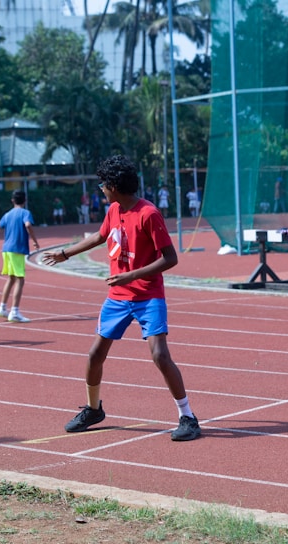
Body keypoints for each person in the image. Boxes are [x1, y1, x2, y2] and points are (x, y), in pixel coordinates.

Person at [42, 155, 201, 442]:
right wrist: (65, 253)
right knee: (94, 355)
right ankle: (93, 409)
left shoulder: (149, 214)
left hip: (148, 296)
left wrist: (132, 275)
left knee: (160, 355)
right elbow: (99, 237)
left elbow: (171, 259)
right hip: (117, 297)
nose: (101, 189)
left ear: (114, 185)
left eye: (103, 184)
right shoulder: (114, 210)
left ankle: (187, 416)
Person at [0, 189, 40, 323]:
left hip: (6, 249)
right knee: (20, 279)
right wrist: (35, 241)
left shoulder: (7, 214)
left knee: (11, 278)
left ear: (12, 200)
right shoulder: (25, 213)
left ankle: (2, 307)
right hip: (17, 249)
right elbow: (28, 224)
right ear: (25, 200)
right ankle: (14, 311)